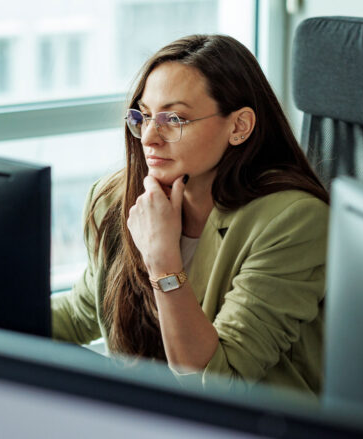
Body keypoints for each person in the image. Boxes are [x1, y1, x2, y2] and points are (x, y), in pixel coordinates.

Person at [52, 34, 329, 395]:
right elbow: (81, 313)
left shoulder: (293, 221)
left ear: (239, 126)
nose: (149, 137)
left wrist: (162, 260)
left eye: (175, 118)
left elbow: (218, 381)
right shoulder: (119, 200)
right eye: (145, 116)